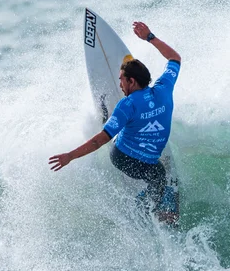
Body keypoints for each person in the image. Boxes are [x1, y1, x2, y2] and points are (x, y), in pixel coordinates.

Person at [49, 21, 181, 222]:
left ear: (132, 82)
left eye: (121, 79)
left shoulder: (128, 105)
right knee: (159, 175)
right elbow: (174, 58)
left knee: (158, 177)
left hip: (131, 151)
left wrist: (70, 156)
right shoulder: (163, 88)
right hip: (124, 158)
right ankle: (147, 211)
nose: (119, 83)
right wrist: (149, 37)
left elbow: (99, 140)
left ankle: (150, 207)